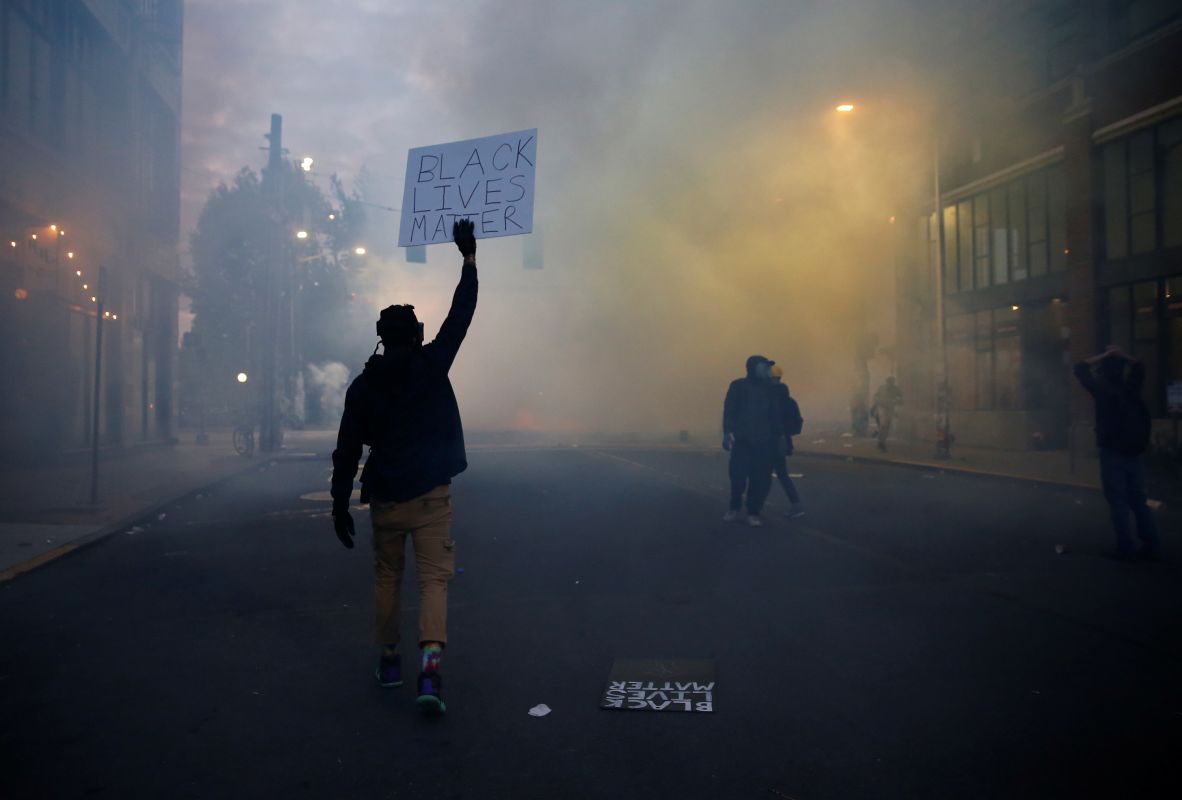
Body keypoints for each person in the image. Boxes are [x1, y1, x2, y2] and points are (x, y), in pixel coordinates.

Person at [331, 219, 478, 715]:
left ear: (380, 339)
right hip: (432, 495)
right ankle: (431, 671)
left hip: (388, 497)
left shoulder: (362, 387)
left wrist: (338, 502)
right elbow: (461, 315)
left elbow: (347, 447)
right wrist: (468, 259)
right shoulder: (433, 363)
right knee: (434, 580)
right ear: (416, 335)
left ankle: (390, 661)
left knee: (387, 577)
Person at [1073, 346, 1160, 561]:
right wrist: (1122, 356)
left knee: (1118, 502)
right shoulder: (1132, 388)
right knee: (1138, 500)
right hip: (1134, 452)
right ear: (1122, 371)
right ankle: (1150, 544)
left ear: (1104, 371)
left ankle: (1125, 547)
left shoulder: (1102, 390)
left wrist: (1104, 355)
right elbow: (1139, 366)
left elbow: (1080, 368)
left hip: (1112, 453)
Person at [722, 355, 782, 527]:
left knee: (760, 479)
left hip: (764, 442)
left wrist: (780, 438)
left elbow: (775, 415)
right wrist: (727, 433)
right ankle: (734, 507)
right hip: (742, 441)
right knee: (738, 477)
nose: (767, 370)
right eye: (764, 366)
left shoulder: (770, 389)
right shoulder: (738, 386)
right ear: (753, 367)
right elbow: (729, 411)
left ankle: (753, 512)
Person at [770, 364, 805, 518]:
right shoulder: (789, 401)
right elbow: (797, 424)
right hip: (781, 441)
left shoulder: (767, 399)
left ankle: (754, 507)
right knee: (782, 474)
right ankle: (796, 505)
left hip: (767, 441)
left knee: (758, 473)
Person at [871, 376, 903, 452]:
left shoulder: (895, 389)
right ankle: (881, 441)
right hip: (882, 408)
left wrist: (897, 401)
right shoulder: (883, 388)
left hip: (888, 409)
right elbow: (876, 396)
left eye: (891, 382)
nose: (890, 383)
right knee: (884, 425)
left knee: (886, 426)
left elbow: (900, 398)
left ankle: (881, 440)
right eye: (890, 381)